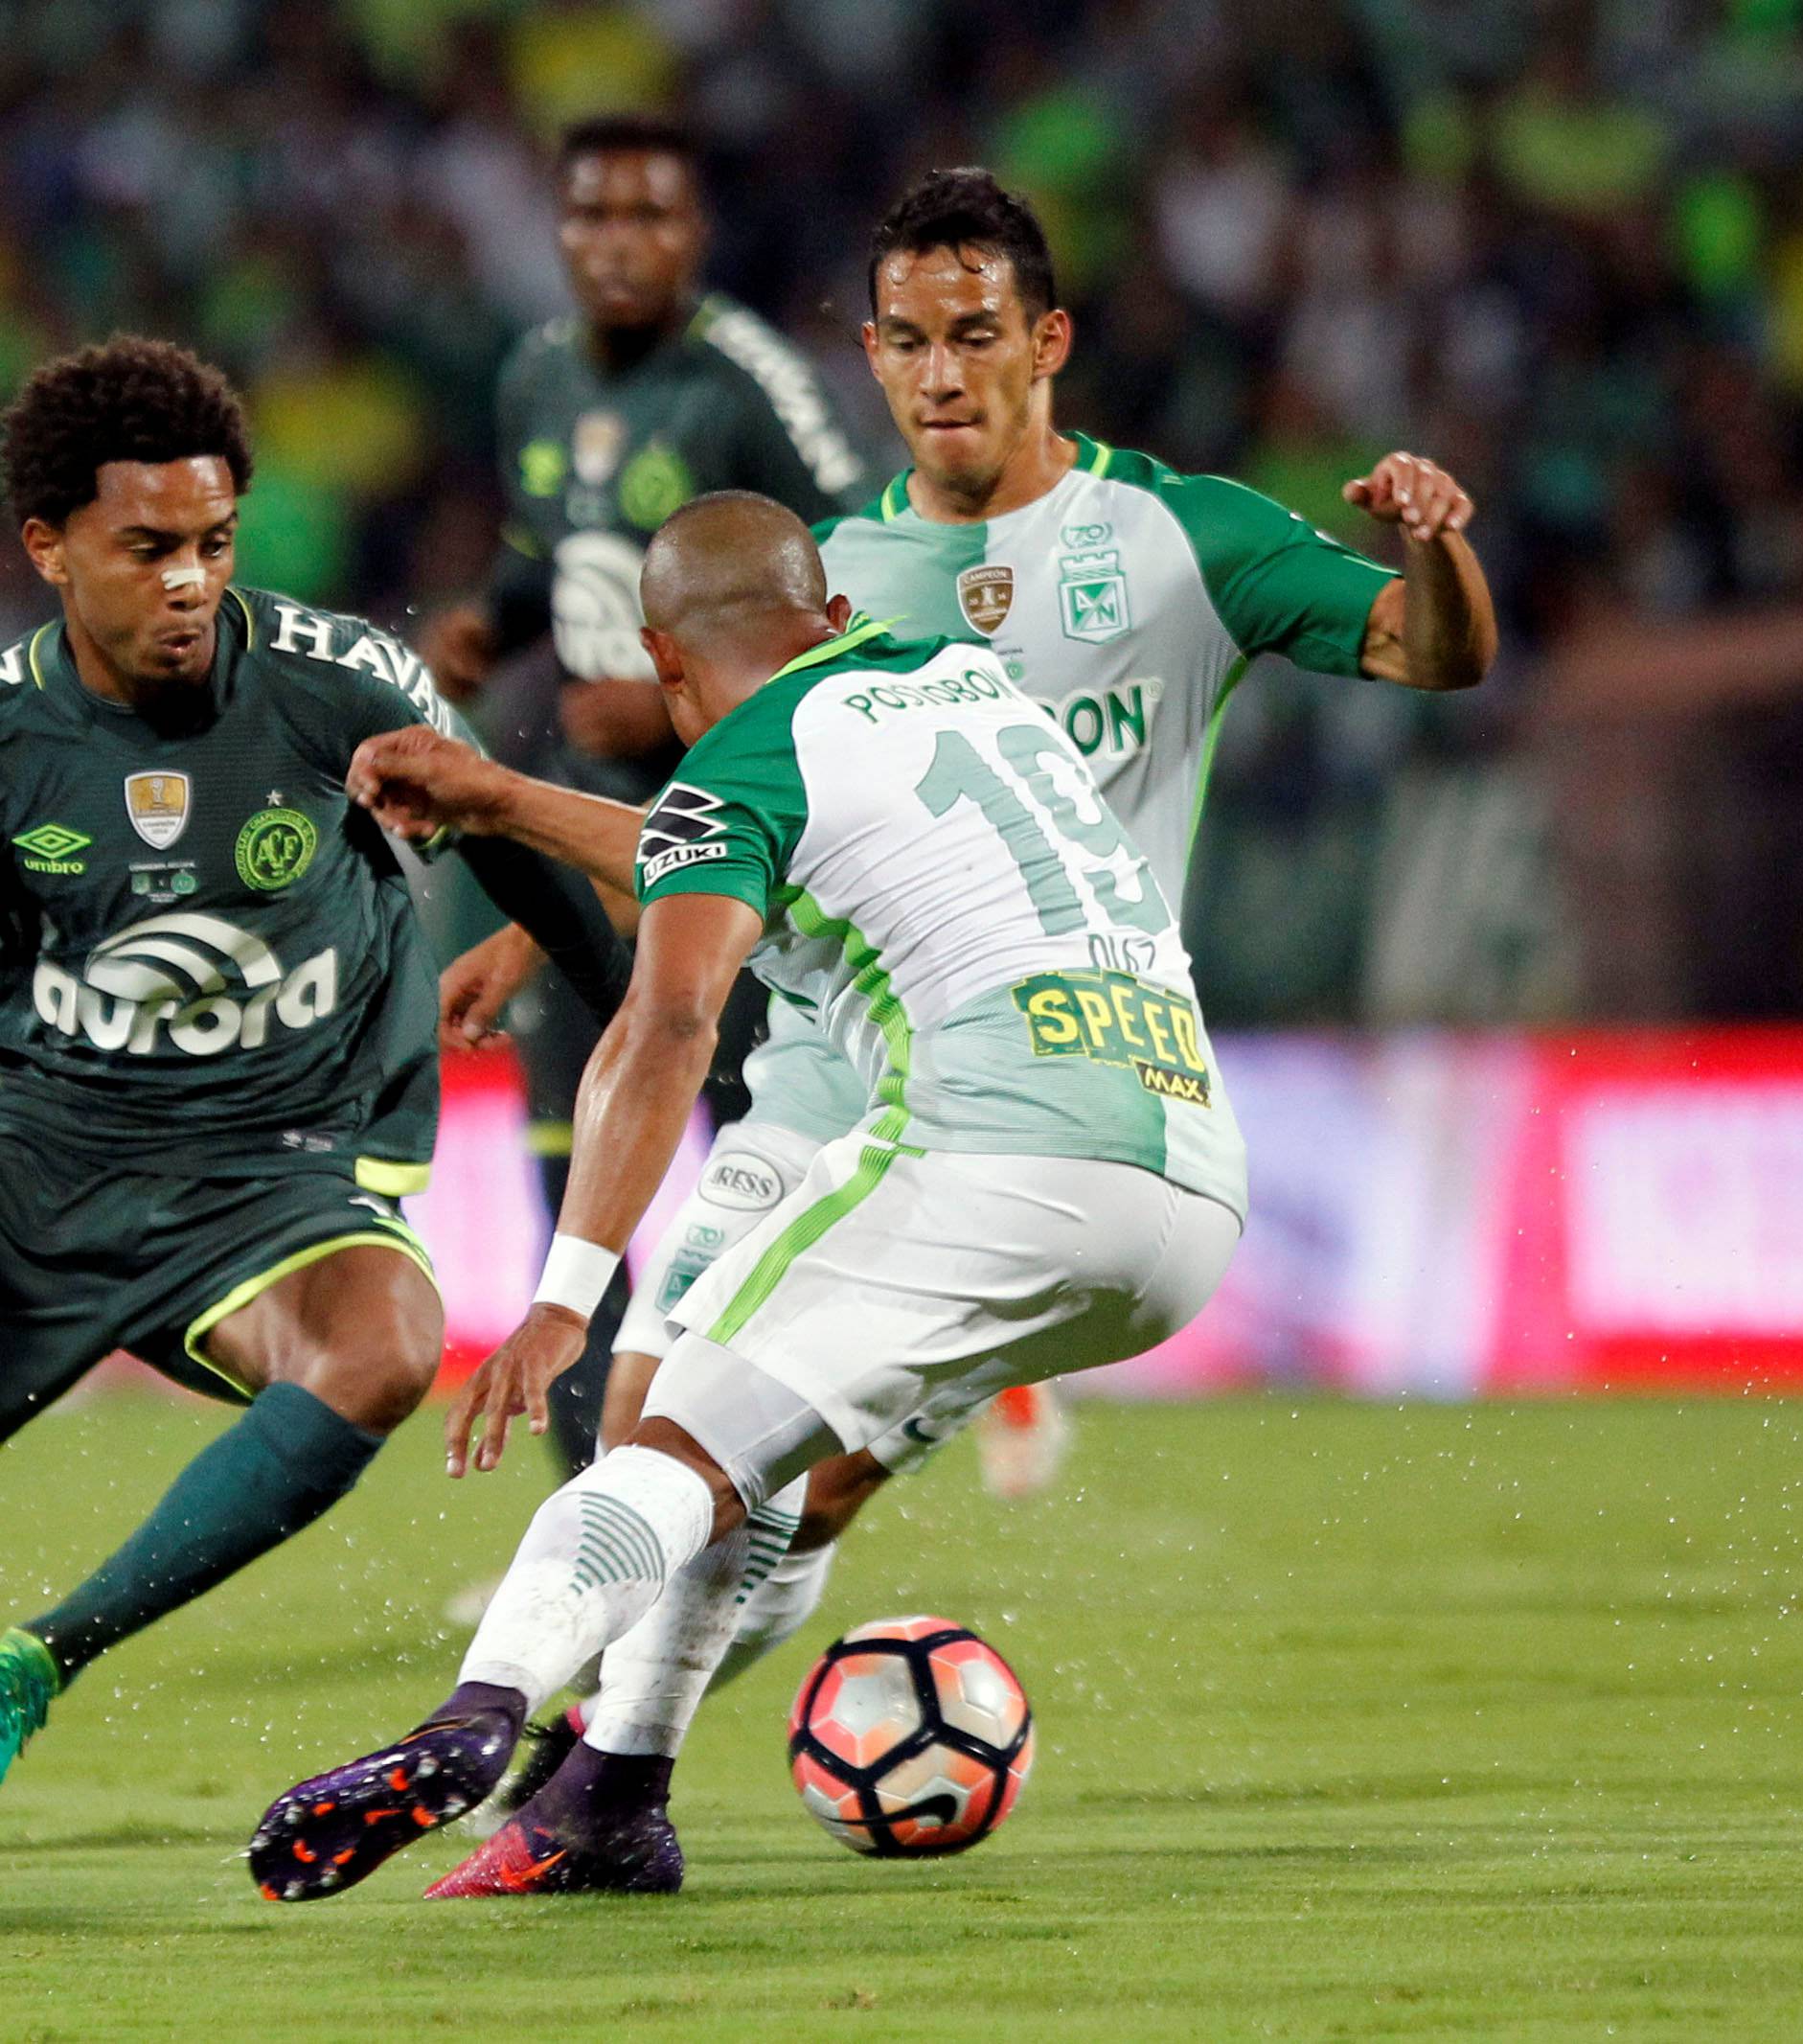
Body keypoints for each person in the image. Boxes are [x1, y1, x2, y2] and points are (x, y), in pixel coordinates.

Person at [438, 167, 1497, 1811]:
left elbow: (1433, 656)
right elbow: (723, 827)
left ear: (1048, 341)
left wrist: (1431, 554)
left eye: (979, 336)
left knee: (804, 1481)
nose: (945, 375)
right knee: (665, 1429)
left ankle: (591, 1751)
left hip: (1026, 1097)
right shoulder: (834, 576)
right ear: (873, 355)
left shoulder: (1179, 538)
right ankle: (597, 1757)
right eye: (913, 342)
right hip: (822, 1069)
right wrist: (536, 929)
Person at [249, 489, 1247, 1900]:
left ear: (663, 665)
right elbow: (733, 831)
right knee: (757, 1443)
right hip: (1192, 1177)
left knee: (663, 1441)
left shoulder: (745, 765)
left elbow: (666, 1026)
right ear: (832, 616)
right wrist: (509, 800)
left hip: (1001, 1154)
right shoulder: (953, 680)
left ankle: (476, 1720)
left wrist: (561, 1298)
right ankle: (615, 1796)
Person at [0, 336, 627, 1784]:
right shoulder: (13, 740)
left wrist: (640, 1018)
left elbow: (515, 850)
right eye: (145, 546)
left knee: (387, 1340)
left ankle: (42, 1655)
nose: (188, 580)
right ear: (49, 547)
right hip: (47, 1159)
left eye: (213, 542)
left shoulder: (338, 682)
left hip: (271, 1174)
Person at [421, 113, 865, 1481]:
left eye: (650, 218)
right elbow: (539, 549)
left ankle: (776, 1479)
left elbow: (852, 588)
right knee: (578, 1176)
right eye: (594, 217)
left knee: (767, 1177)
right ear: (558, 232)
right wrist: (489, 625)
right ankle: (585, 1518)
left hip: (722, 831)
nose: (620, 245)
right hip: (578, 807)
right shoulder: (538, 374)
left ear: (696, 234)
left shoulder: (745, 383)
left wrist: (690, 705)